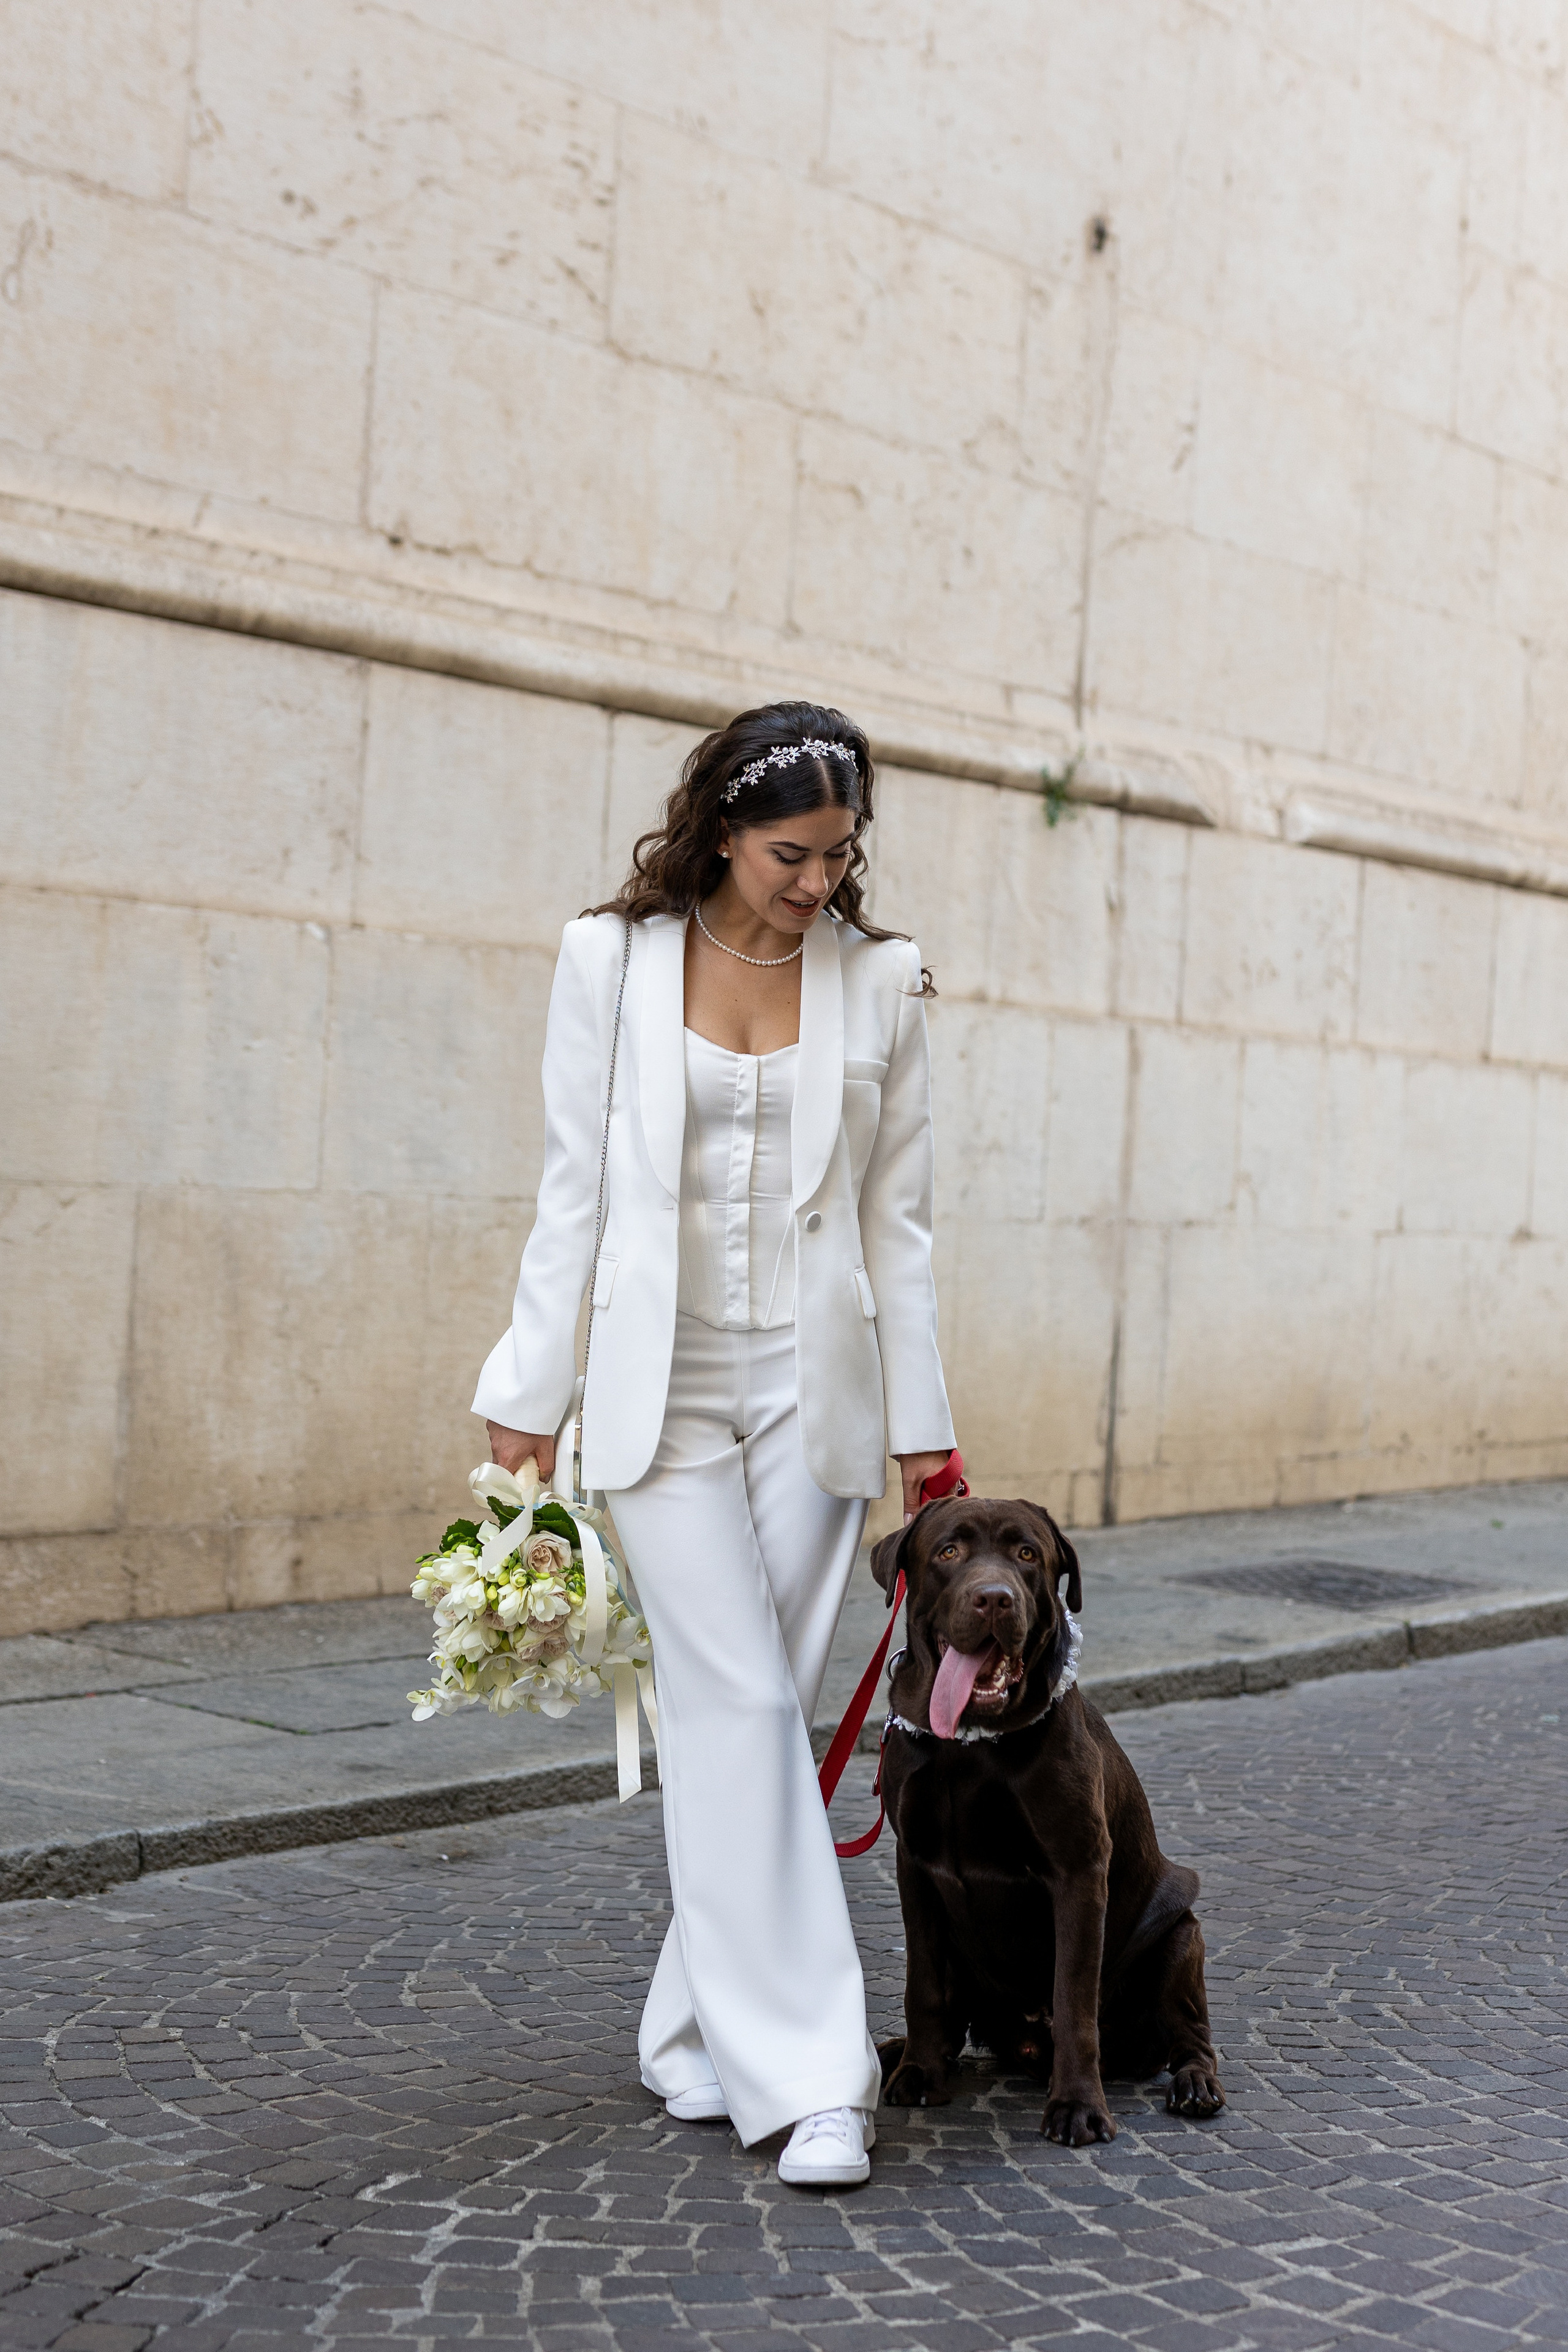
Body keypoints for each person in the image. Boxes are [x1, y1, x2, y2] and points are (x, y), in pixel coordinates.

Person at [473, 700, 954, 2187]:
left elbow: (897, 1225)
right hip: (657, 1386)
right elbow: (570, 1188)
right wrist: (526, 1386)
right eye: (789, 853)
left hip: (818, 1393)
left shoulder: (879, 983)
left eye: (839, 853)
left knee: (757, 1718)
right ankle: (814, 2077)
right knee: (735, 1702)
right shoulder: (607, 961)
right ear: (722, 830)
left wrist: (925, 1435)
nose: (817, 881)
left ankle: (690, 2032)